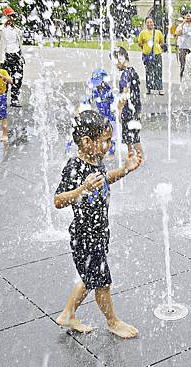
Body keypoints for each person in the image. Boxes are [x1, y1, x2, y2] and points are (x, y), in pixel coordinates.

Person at [55, 110, 142, 336]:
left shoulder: (96, 160)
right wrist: (82, 189)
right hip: (85, 235)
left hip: (98, 230)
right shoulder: (75, 167)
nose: (108, 146)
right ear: (86, 141)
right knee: (102, 282)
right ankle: (113, 322)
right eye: (105, 141)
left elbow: (105, 179)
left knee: (89, 277)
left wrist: (125, 170)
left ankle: (67, 314)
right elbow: (58, 200)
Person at [0, 7, 24, 107]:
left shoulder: (17, 30)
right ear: (5, 17)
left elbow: (20, 43)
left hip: (16, 55)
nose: (12, 18)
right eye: (9, 16)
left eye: (13, 16)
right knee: (4, 77)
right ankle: (3, 98)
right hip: (5, 56)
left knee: (18, 77)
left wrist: (21, 56)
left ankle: (14, 98)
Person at [116, 47, 144, 159]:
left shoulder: (125, 75)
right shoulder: (133, 71)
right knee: (131, 134)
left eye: (116, 62)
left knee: (132, 135)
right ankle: (132, 156)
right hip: (136, 107)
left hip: (128, 109)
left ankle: (140, 157)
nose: (116, 66)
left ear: (121, 59)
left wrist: (119, 108)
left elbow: (125, 93)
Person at [88, 68, 116, 159]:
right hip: (101, 117)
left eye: (98, 83)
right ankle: (100, 151)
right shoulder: (96, 91)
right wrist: (85, 103)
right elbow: (89, 99)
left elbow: (115, 104)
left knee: (111, 136)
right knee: (99, 135)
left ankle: (112, 153)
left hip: (111, 118)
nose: (97, 86)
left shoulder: (109, 92)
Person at [137, 18, 165, 96]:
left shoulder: (158, 32)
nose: (149, 24)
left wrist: (157, 47)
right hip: (146, 55)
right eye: (148, 22)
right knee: (148, 71)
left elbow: (162, 42)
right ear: (146, 24)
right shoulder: (143, 33)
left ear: (153, 23)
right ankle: (148, 88)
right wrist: (146, 48)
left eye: (151, 22)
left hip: (157, 54)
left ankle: (160, 88)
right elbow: (139, 43)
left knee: (158, 71)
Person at [175, 13, 191, 81]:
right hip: (183, 47)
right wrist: (183, 23)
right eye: (187, 16)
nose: (188, 17)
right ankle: (182, 80)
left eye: (190, 16)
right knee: (183, 65)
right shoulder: (181, 25)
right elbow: (177, 33)